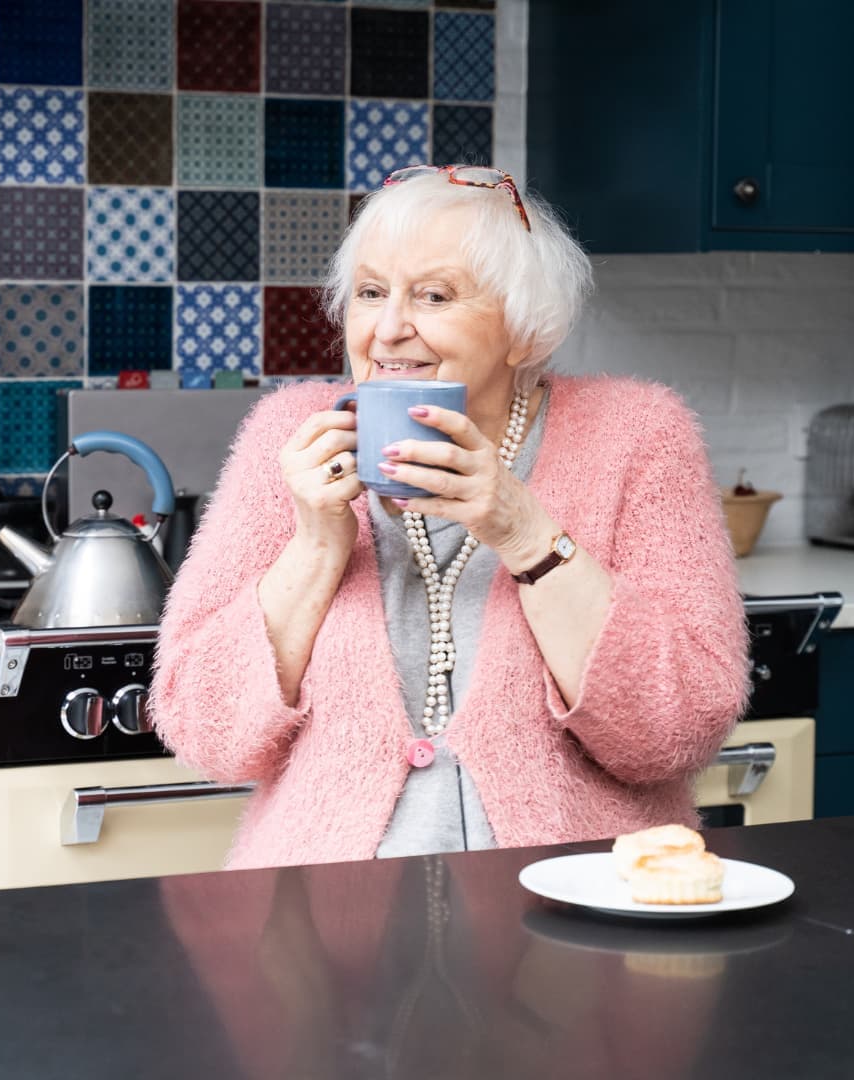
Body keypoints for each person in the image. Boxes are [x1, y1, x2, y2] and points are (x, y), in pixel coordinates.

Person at [149, 164, 749, 871]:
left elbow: (678, 730)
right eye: (371, 293)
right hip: (321, 921)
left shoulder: (637, 435)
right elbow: (203, 730)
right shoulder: (289, 435)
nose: (389, 329)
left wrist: (525, 533)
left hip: (573, 912)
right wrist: (315, 546)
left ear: (525, 331)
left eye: (433, 296)